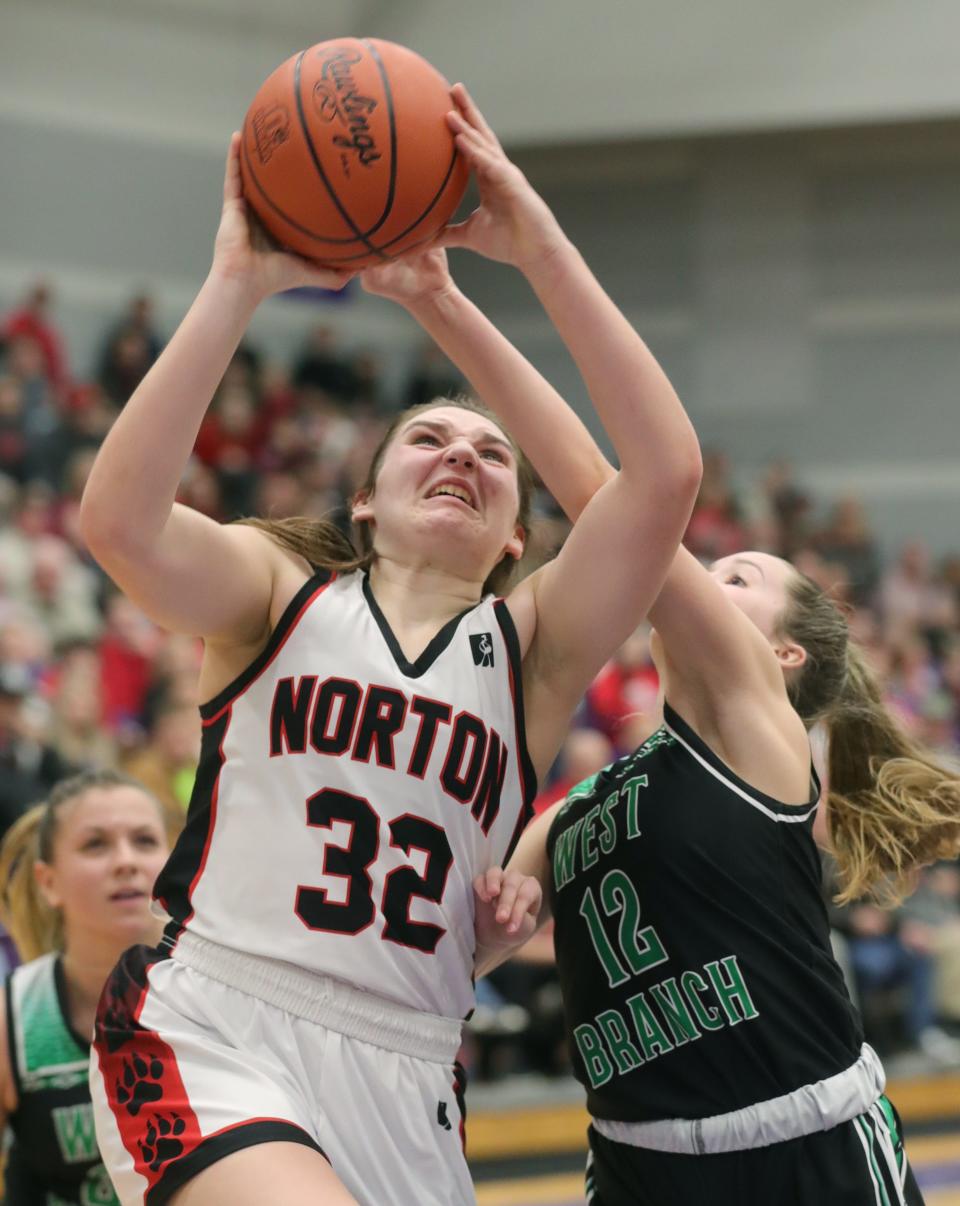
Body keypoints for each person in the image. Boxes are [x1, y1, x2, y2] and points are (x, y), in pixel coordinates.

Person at [79, 85, 702, 1206]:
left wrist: (511, 263)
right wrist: (237, 284)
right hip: (216, 1022)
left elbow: (663, 479)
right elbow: (118, 525)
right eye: (427, 436)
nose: (460, 453)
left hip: (408, 1065)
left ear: (519, 532)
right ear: (365, 502)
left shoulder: (534, 647)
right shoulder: (277, 590)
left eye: (491, 453)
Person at [477, 339, 960, 1206]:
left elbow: (609, 499)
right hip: (638, 1162)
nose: (699, 578)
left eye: (734, 576)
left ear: (781, 654)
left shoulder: (755, 738)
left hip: (804, 1147)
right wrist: (501, 915)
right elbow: (477, 946)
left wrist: (444, 302)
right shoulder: (576, 812)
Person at [0, 769, 169, 1205]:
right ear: (48, 882)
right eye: (96, 844)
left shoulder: (221, 992)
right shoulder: (12, 1016)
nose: (126, 861)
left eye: (145, 841)